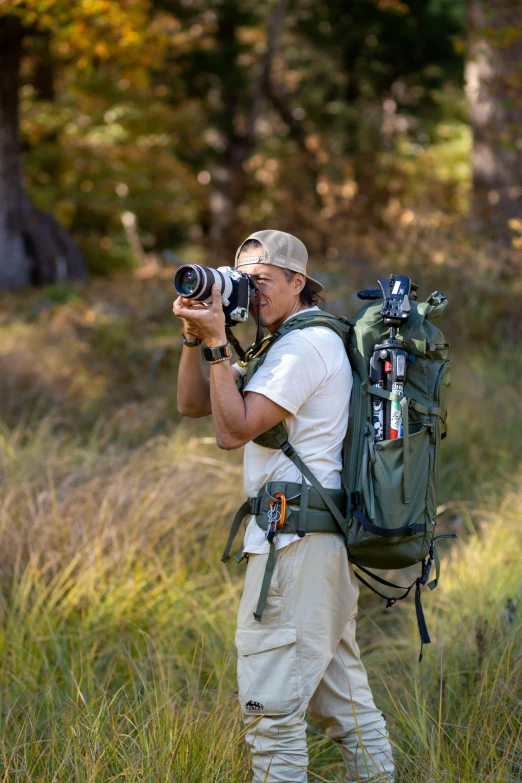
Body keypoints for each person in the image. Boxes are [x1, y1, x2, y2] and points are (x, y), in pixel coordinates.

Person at [173, 229, 395, 783]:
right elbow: (193, 405)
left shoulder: (304, 346)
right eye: (241, 282)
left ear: (298, 283)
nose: (250, 292)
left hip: (296, 543)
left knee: (270, 719)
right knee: (347, 711)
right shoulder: (280, 344)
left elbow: (233, 431)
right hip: (307, 546)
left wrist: (221, 345)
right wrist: (193, 337)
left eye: (262, 282)